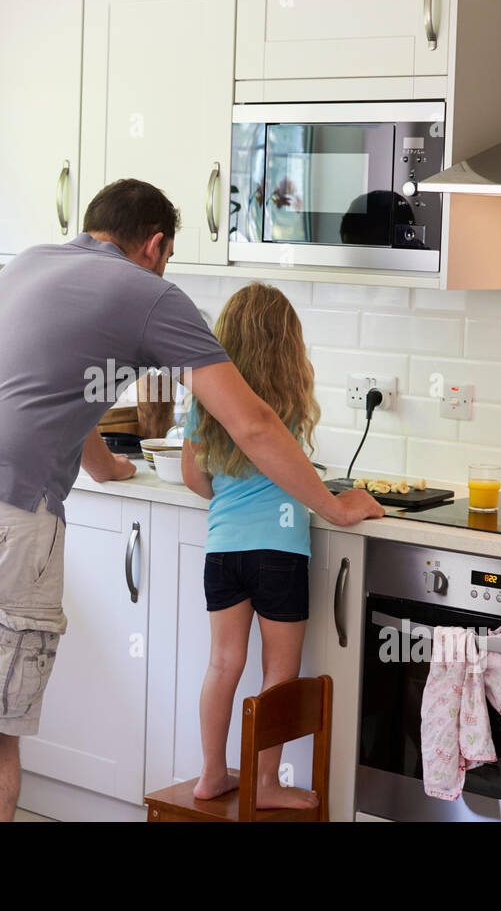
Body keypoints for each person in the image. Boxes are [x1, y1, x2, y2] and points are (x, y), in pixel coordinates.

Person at [0, 179, 386, 822]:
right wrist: (334, 505)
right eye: (169, 257)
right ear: (154, 246)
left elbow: (34, 393)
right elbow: (254, 424)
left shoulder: (29, 263)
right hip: (0, 517)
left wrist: (102, 466)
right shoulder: (149, 292)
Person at [180, 283, 360, 809]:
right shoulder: (285, 403)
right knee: (278, 672)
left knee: (223, 664)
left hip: (223, 550)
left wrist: (232, 504)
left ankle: (212, 773)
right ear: (289, 346)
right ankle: (264, 783)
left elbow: (194, 476)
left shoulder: (207, 402)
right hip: (279, 552)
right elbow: (296, 476)